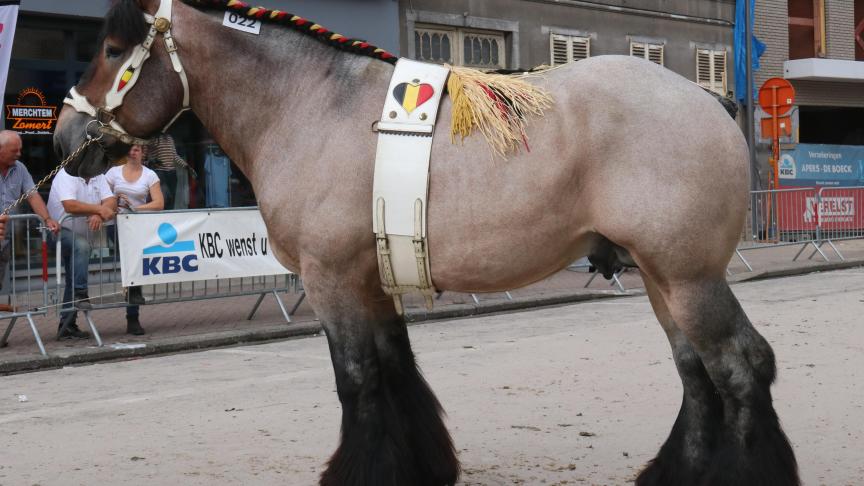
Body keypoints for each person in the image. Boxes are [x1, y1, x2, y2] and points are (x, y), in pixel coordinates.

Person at [47, 166, 116, 340]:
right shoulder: (66, 174)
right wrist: (98, 209)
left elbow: (110, 201)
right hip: (58, 231)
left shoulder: (98, 174)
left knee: (73, 276)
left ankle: (67, 325)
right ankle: (81, 293)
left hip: (79, 234)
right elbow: (70, 205)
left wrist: (98, 214)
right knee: (82, 246)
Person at [105, 144, 164, 335]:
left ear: (142, 153)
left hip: (137, 226)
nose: (132, 152)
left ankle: (133, 316)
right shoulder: (113, 173)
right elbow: (102, 198)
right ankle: (133, 310)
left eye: (136, 149)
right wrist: (115, 199)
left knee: (132, 265)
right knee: (131, 263)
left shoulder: (150, 175)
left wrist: (135, 209)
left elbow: (159, 203)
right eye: (129, 149)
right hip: (115, 225)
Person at [0, 131, 60, 311]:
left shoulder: (20, 168)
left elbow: (32, 196)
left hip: (5, 237)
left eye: (20, 149)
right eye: (14, 150)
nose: (19, 154)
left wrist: (47, 219)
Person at [145, 134, 195, 210]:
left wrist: (186, 166)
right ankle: (161, 215)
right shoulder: (153, 139)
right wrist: (151, 162)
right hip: (160, 173)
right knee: (163, 197)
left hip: (172, 173)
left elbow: (174, 156)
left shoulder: (169, 138)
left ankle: (169, 215)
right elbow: (147, 157)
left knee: (171, 198)